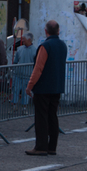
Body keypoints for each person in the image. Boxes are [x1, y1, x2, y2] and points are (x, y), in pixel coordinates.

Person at [25, 21, 66, 156]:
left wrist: (30, 85)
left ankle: (41, 146)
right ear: (58, 31)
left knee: (41, 117)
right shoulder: (63, 45)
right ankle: (52, 146)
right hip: (57, 86)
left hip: (43, 87)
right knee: (53, 116)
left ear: (46, 31)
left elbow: (39, 68)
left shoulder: (45, 46)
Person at [13, 32, 37, 109]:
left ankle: (24, 107)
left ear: (29, 40)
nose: (22, 40)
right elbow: (15, 61)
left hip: (28, 75)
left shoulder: (35, 51)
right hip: (17, 74)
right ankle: (14, 106)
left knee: (25, 92)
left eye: (24, 39)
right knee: (15, 90)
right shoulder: (19, 49)